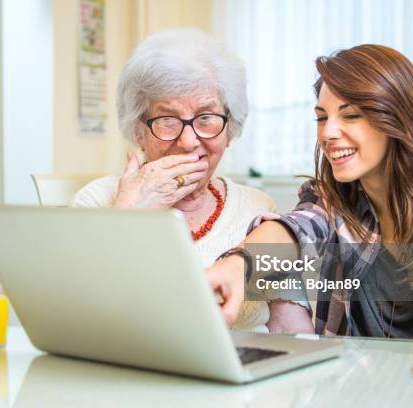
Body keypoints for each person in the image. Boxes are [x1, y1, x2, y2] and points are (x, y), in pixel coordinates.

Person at [208, 44, 413, 341]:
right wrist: (237, 265)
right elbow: (296, 230)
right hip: (349, 387)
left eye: (351, 115)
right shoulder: (332, 201)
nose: (328, 133)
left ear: (397, 118)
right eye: (322, 117)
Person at [72, 29, 281, 332]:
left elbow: (287, 326)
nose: (188, 141)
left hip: (249, 371)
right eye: (167, 120)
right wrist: (128, 215)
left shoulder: (258, 207)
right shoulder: (96, 202)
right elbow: (79, 320)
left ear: (230, 130)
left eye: (206, 118)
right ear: (139, 133)